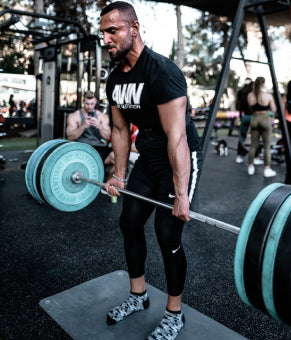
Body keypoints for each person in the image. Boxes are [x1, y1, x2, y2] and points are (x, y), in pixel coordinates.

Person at [100, 2, 202, 339]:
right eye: (103, 32)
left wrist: (182, 194)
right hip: (148, 159)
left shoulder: (162, 70)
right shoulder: (114, 79)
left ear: (134, 28)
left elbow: (178, 138)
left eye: (112, 30)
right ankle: (138, 296)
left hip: (179, 157)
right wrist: (118, 174)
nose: (106, 39)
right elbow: (118, 131)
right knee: (129, 221)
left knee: (167, 233)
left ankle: (175, 313)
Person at [66, 90, 115, 178]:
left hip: (99, 148)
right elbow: (69, 137)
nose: (89, 107)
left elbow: (108, 137)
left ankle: (107, 185)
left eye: (92, 104)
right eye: (87, 104)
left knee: (118, 160)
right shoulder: (74, 116)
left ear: (96, 102)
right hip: (81, 147)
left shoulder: (102, 117)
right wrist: (83, 126)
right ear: (83, 102)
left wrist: (99, 126)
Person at [247, 76, 277, 177]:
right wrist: (271, 117)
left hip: (254, 119)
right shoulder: (267, 96)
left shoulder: (250, 96)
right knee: (267, 146)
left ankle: (250, 167)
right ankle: (267, 169)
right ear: (263, 84)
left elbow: (251, 108)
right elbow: (274, 109)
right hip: (265, 119)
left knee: (253, 145)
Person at [235, 78, 263, 165]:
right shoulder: (253, 94)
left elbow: (238, 105)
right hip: (252, 116)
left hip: (244, 116)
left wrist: (240, 116)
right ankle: (256, 157)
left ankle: (239, 156)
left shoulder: (241, 92)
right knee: (255, 137)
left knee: (243, 136)